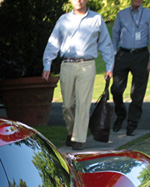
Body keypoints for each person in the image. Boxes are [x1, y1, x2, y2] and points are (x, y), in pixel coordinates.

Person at [42, 0, 114, 151]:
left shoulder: (96, 19)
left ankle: (78, 138)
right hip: (67, 64)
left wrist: (109, 66)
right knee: (67, 105)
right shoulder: (63, 20)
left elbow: (106, 44)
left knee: (83, 103)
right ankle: (71, 130)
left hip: (87, 65)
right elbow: (53, 42)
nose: (79, 1)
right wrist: (47, 64)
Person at [111, 0, 150, 136]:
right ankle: (121, 115)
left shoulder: (149, 14)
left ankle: (132, 123)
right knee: (116, 89)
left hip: (141, 55)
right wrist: (113, 56)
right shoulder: (122, 15)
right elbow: (114, 36)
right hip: (123, 54)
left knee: (137, 92)